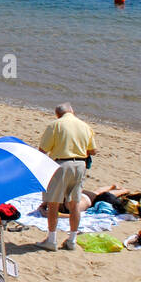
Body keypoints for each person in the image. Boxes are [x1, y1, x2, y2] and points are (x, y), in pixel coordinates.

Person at [37, 103, 98, 251]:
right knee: (74, 203)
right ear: (72, 111)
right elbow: (93, 151)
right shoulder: (85, 126)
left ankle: (51, 240)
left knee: (53, 203)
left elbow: (43, 149)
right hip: (80, 165)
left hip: (61, 164)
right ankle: (72, 240)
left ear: (58, 114)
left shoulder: (55, 125)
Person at [37, 182, 132, 218]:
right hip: (81, 194)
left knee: (101, 195)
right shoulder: (55, 198)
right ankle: (112, 186)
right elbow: (43, 205)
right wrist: (42, 208)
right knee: (96, 192)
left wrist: (57, 214)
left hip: (91, 199)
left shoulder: (70, 205)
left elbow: (73, 215)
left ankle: (124, 190)